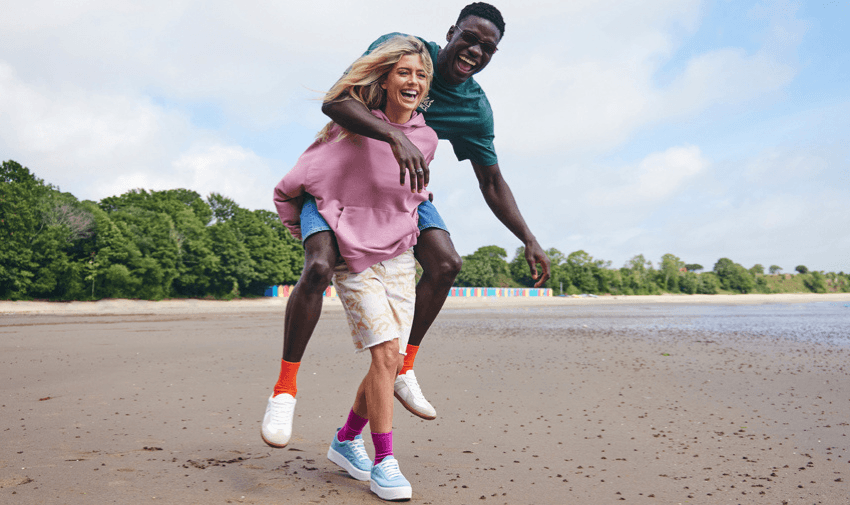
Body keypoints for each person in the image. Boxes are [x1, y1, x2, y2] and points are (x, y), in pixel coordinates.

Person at [262, 1, 550, 448]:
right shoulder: (403, 54)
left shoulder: (474, 111)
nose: (475, 51)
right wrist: (394, 135)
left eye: (487, 48)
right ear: (451, 31)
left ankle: (405, 364)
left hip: (399, 193)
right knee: (319, 268)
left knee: (446, 263)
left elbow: (491, 180)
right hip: (340, 179)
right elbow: (335, 100)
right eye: (469, 38)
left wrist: (528, 238)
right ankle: (284, 388)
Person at [268, 36, 437, 500]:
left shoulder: (429, 138)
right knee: (384, 356)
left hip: (399, 254)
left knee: (390, 361)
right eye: (404, 72)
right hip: (352, 255)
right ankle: (385, 460)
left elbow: (412, 199)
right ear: (383, 79)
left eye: (421, 75)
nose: (413, 81)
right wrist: (312, 230)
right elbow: (308, 181)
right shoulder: (351, 126)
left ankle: (345, 440)